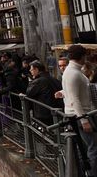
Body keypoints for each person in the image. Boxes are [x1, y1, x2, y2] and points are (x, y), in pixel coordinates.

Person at [62, 44, 97, 176]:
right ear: (81, 56)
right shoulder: (73, 73)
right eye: (85, 56)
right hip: (81, 115)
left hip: (79, 114)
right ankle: (92, 173)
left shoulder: (72, 71)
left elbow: (72, 93)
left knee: (88, 147)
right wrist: (84, 120)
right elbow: (74, 98)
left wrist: (63, 92)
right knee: (93, 147)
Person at [25, 60, 63, 126]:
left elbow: (29, 93)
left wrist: (31, 81)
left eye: (31, 70)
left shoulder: (38, 81)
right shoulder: (53, 79)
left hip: (43, 112)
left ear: (36, 69)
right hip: (56, 110)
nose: (30, 71)